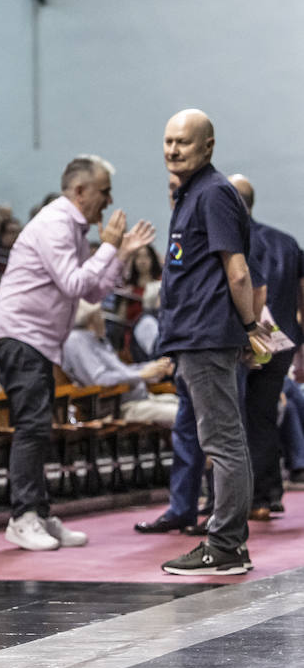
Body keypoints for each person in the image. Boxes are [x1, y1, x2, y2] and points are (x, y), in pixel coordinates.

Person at [0, 156, 154, 551]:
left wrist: (120, 254)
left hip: (37, 339)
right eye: (103, 191)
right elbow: (76, 283)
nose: (108, 201)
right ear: (80, 190)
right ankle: (23, 517)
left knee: (39, 427)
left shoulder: (72, 229)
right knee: (32, 426)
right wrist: (109, 246)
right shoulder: (56, 223)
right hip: (20, 334)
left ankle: (38, 512)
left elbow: (93, 292)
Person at [156, 111, 270, 576]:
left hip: (207, 336)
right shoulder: (192, 194)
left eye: (183, 141)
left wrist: (248, 324)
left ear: (208, 146)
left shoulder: (213, 193)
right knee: (221, 439)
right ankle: (229, 544)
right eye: (167, 141)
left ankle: (224, 544)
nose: (173, 149)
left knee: (222, 442)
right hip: (194, 336)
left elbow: (237, 268)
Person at [227, 174, 304, 520]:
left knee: (245, 419)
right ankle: (270, 492)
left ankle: (254, 496)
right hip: (284, 341)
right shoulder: (287, 242)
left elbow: (246, 287)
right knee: (265, 417)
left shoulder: (238, 242)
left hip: (250, 339)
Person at [63, 301, 177, 426]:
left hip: (138, 399)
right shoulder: (76, 340)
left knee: (188, 405)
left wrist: (153, 368)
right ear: (91, 317)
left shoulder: (98, 339)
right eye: (100, 313)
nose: (104, 318)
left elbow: (122, 371)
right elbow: (100, 379)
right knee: (182, 414)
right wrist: (141, 374)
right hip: (118, 408)